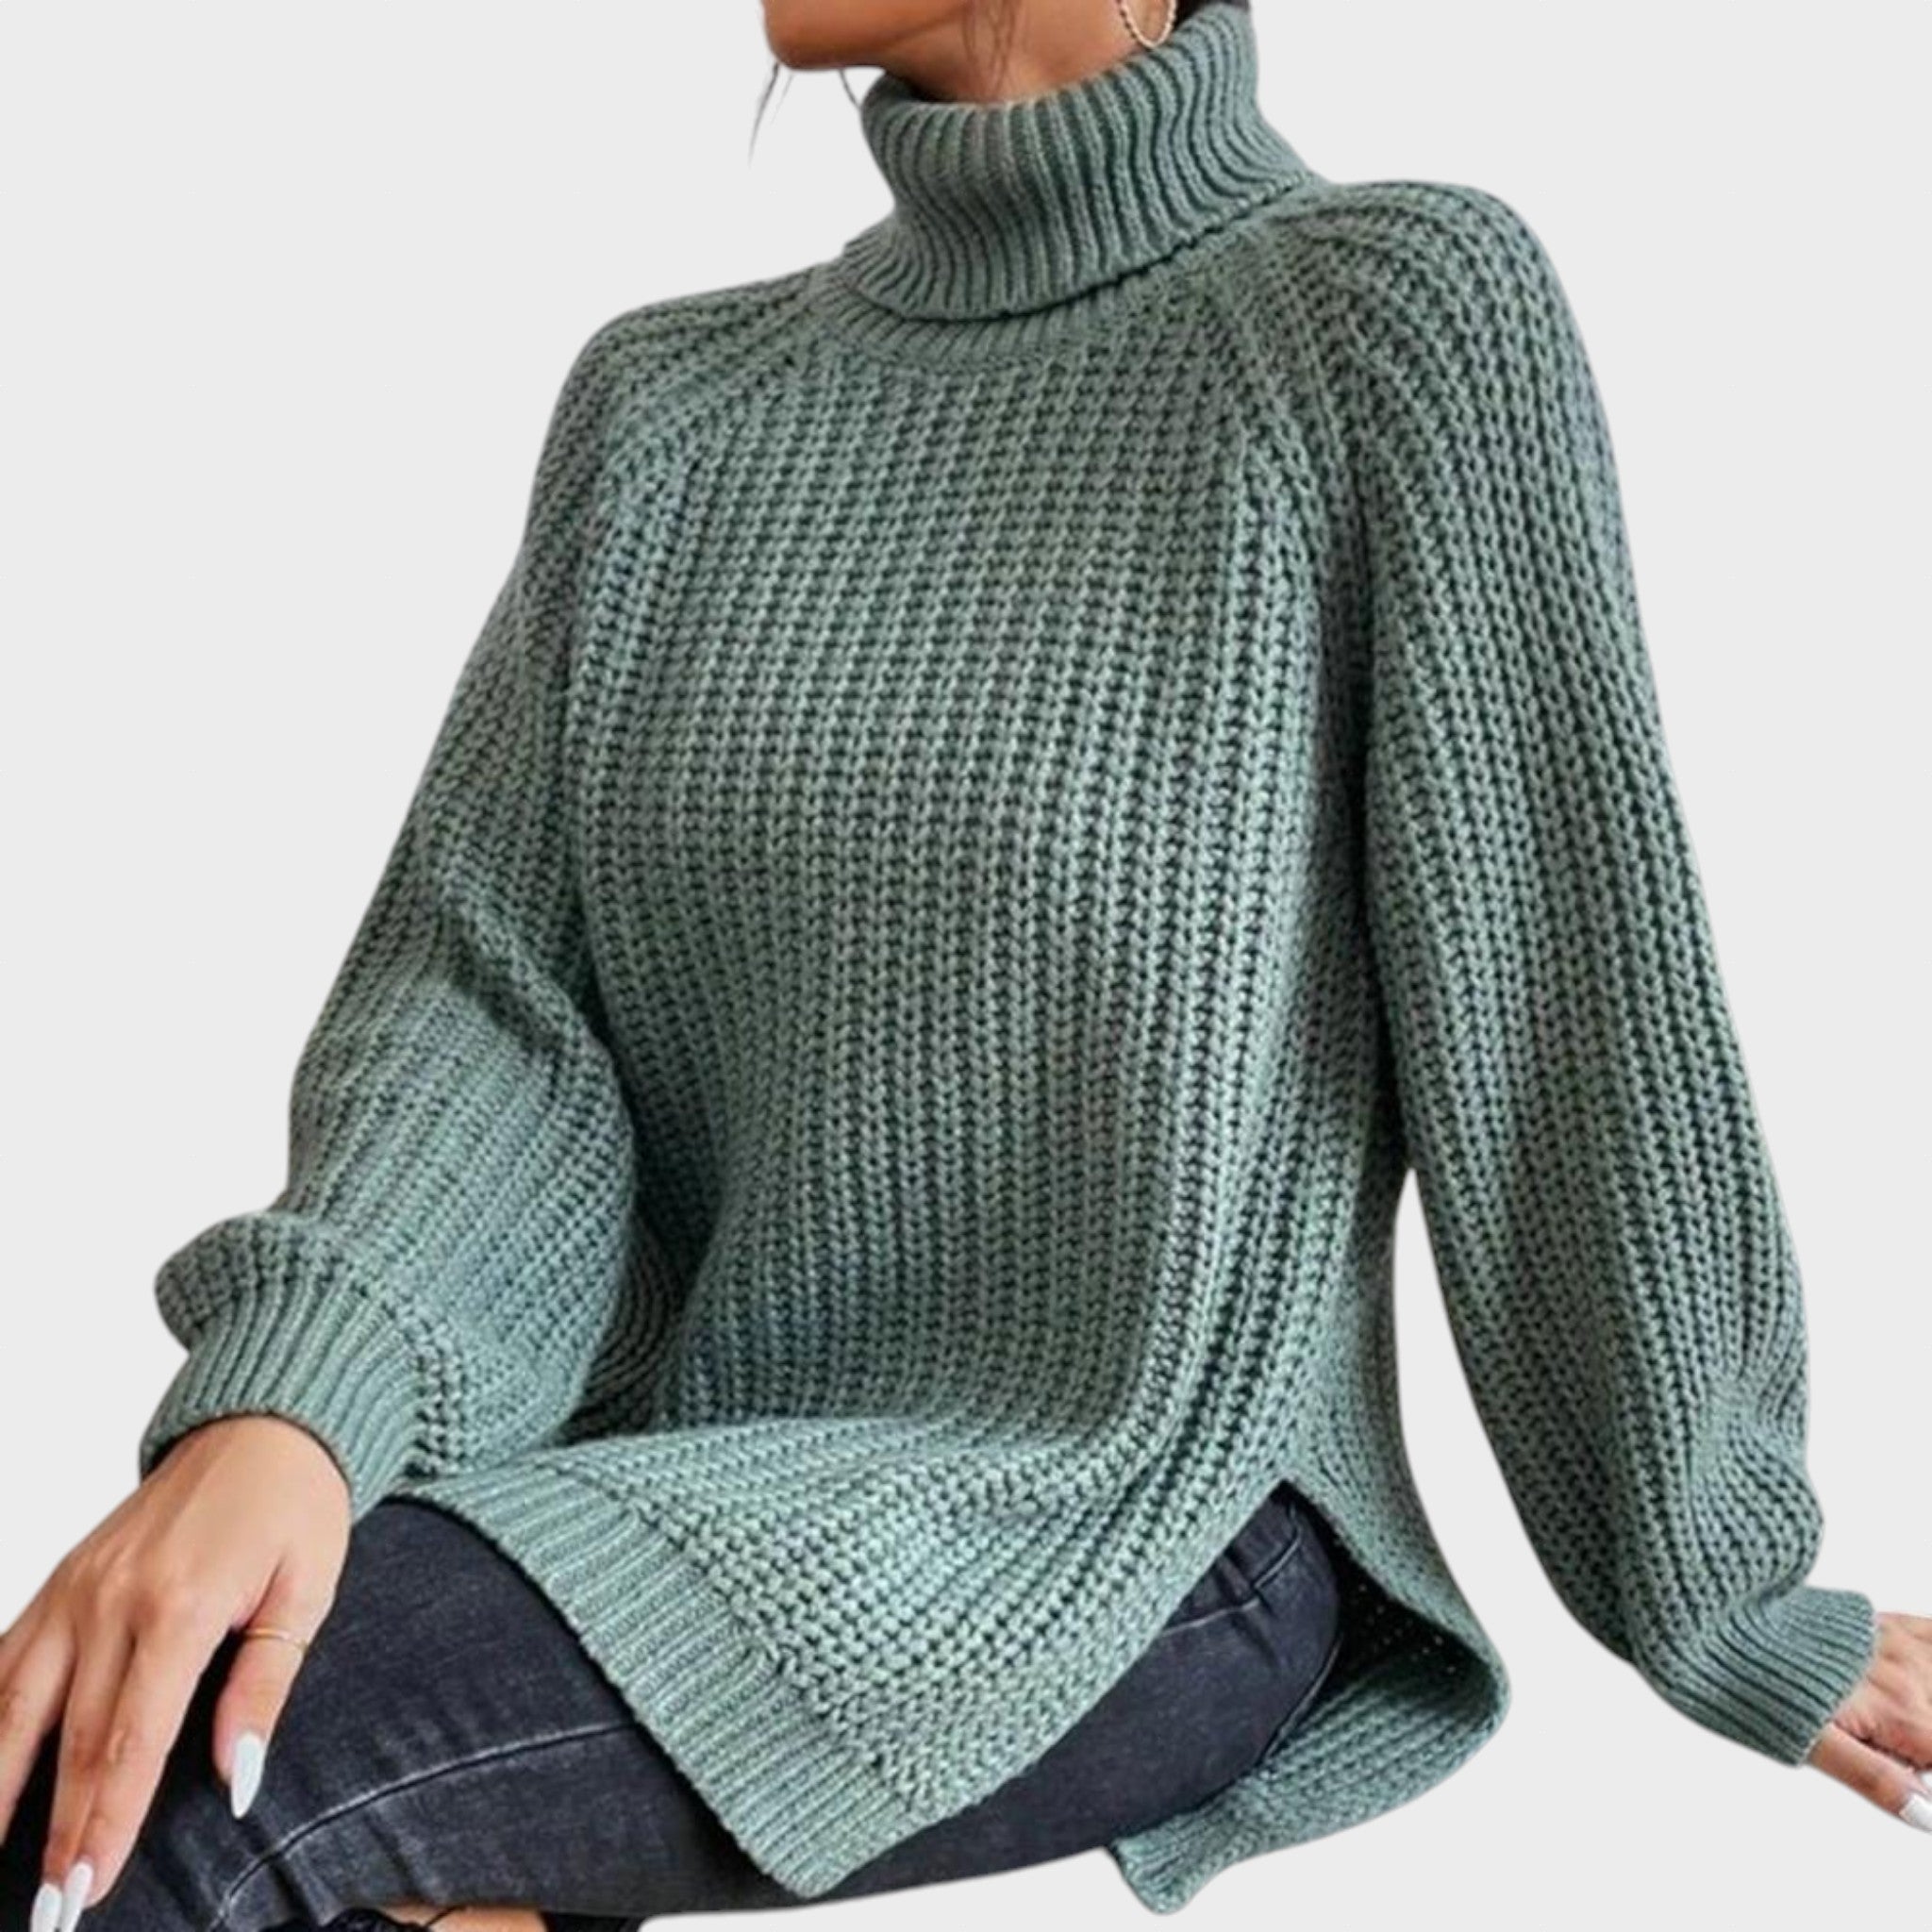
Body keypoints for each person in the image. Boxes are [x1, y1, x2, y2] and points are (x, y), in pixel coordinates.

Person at [2, 2, 1926, 1928]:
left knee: (174, 1790)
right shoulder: (667, 407)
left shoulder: (1385, 316)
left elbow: (1561, 1003)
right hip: (678, 1493)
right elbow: (492, 1013)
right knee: (100, 1734)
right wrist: (292, 1407)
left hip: (1145, 1508)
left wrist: (1724, 1585)